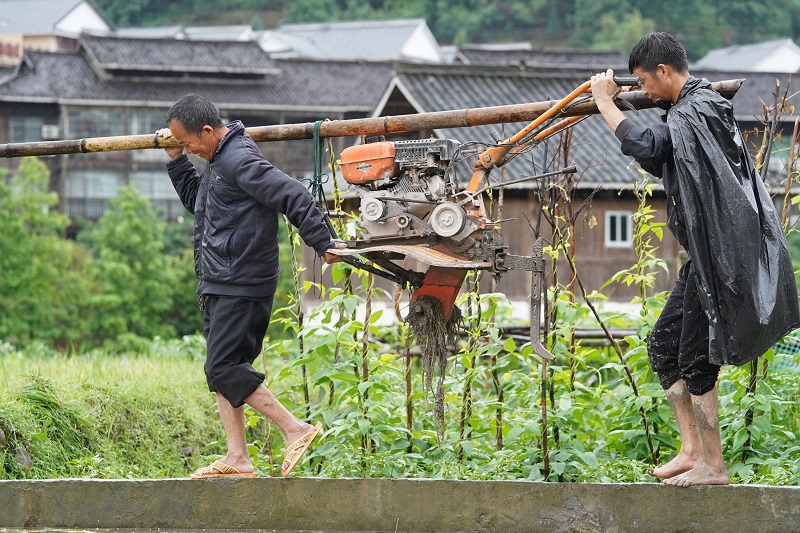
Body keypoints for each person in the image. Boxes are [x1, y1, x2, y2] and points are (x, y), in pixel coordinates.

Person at [591, 33, 799, 487]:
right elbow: (662, 155)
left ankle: (714, 464)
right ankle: (691, 450)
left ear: (664, 72)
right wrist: (619, 105)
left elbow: (648, 147)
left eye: (645, 81)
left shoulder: (700, 109)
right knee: (664, 346)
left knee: (696, 356)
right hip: (705, 257)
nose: (643, 91)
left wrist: (605, 103)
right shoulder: (686, 113)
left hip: (725, 257)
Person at [156, 94, 345, 478]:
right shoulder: (216, 159)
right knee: (224, 369)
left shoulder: (239, 159)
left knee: (223, 368)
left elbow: (291, 193)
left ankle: (296, 429)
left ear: (207, 131)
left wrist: (323, 241)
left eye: (188, 142)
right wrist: (177, 160)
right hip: (221, 280)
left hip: (240, 282)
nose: (187, 148)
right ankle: (237, 458)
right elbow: (200, 202)